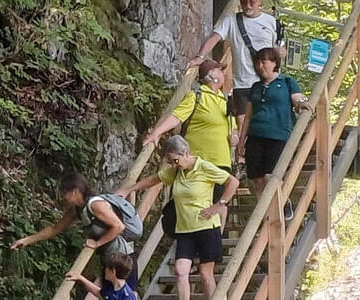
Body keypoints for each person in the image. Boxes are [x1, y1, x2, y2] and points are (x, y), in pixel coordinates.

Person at [116, 135, 239, 300]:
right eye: (171, 162)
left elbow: (232, 182)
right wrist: (129, 189)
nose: (174, 164)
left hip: (206, 227)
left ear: (186, 153)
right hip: (184, 229)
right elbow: (155, 179)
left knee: (205, 274)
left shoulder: (203, 167)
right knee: (180, 271)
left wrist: (220, 204)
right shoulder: (175, 172)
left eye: (176, 160)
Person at [187, 0, 284, 179]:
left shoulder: (271, 22)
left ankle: (262, 162)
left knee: (264, 121)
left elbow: (277, 50)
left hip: (266, 82)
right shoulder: (232, 20)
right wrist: (201, 57)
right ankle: (242, 162)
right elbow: (215, 37)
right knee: (242, 123)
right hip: (243, 83)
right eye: (244, 0)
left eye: (252, 0)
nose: (248, 4)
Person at [10, 173, 139, 299]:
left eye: (65, 194)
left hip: (122, 262)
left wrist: (97, 243)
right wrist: (27, 240)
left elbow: (119, 226)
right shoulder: (77, 210)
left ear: (75, 192)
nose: (63, 197)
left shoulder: (96, 205)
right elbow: (55, 228)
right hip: (108, 262)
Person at [143, 59, 236, 231]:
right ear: (212, 76)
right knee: (191, 203)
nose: (223, 74)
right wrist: (156, 132)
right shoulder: (197, 96)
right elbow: (177, 116)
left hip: (221, 162)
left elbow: (233, 130)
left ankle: (211, 246)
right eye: (220, 71)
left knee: (218, 205)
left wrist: (235, 138)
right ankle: (189, 244)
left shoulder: (225, 102)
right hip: (195, 162)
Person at [237, 48, 311, 219]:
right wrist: (241, 141)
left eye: (265, 61)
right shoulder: (255, 87)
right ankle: (265, 216)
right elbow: (248, 116)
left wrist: (302, 104)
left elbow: (297, 99)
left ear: (274, 62)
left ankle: (282, 204)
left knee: (272, 176)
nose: (261, 65)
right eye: (258, 62)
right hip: (255, 136)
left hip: (278, 135)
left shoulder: (287, 82)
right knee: (257, 178)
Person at [66, 252, 136, 300]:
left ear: (113, 271)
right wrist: (80, 278)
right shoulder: (112, 287)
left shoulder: (127, 297)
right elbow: (98, 292)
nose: (104, 270)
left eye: (107, 267)